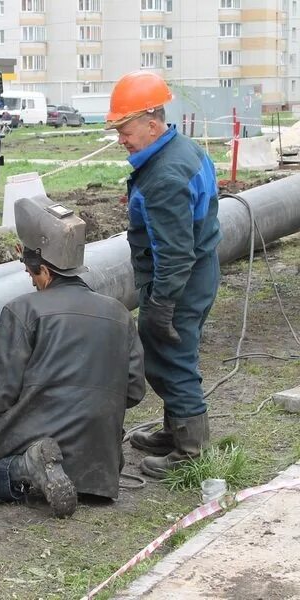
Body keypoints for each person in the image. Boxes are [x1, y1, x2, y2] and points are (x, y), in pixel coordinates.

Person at [0, 196, 146, 518]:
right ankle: (44, 468)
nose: (31, 281)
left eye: (31, 274)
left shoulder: (23, 310)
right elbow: (133, 390)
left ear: (44, 270)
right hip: (100, 467)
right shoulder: (119, 314)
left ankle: (27, 467)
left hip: (37, 435)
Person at [106, 71, 222, 478]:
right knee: (174, 355)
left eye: (125, 128)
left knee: (171, 360)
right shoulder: (182, 151)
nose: (121, 137)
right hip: (199, 273)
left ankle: (192, 450)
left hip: (179, 283)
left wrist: (162, 305)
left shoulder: (164, 177)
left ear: (152, 124)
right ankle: (176, 431)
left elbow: (174, 252)